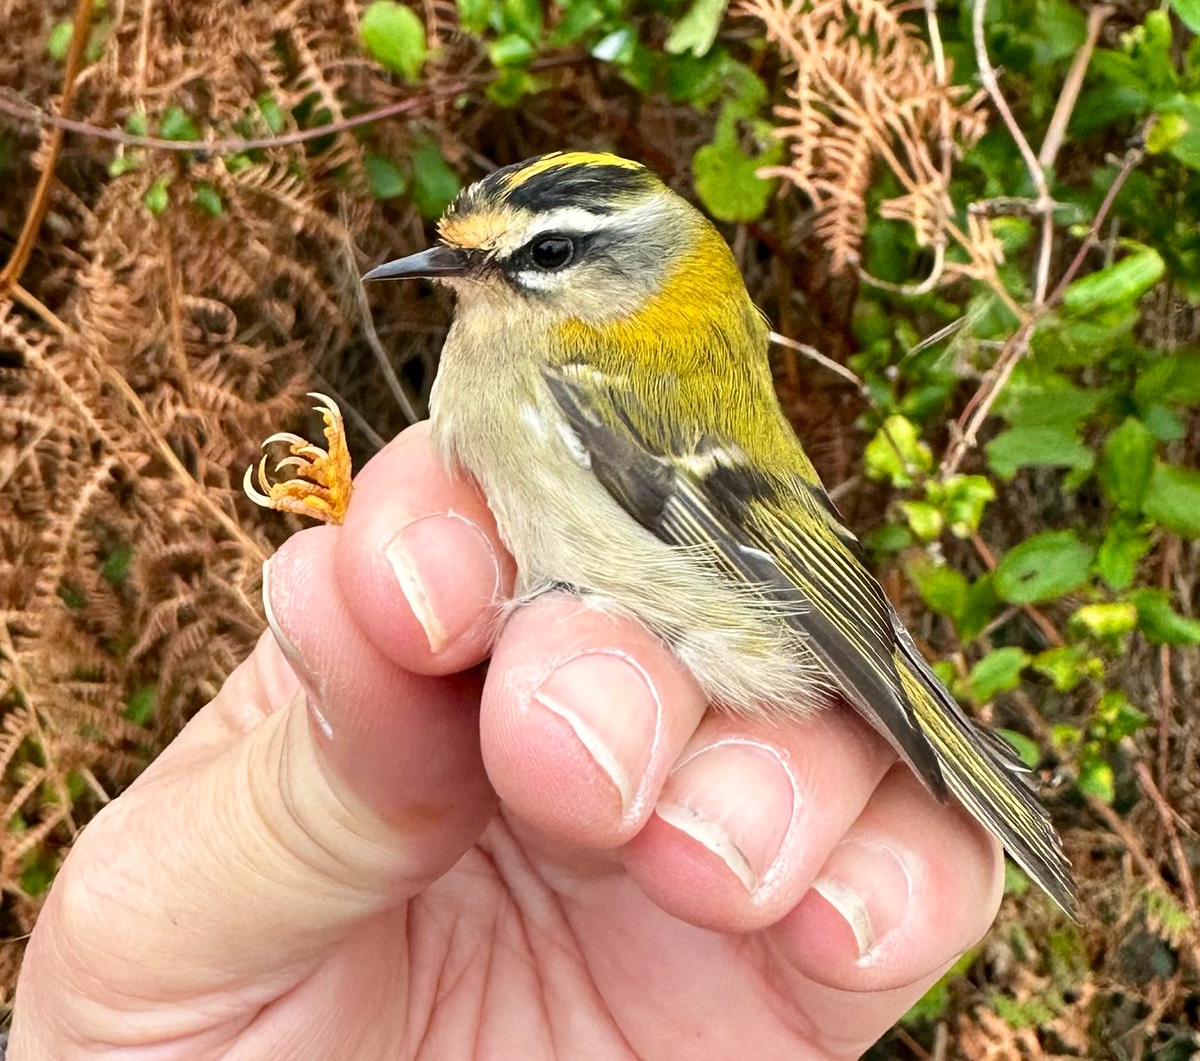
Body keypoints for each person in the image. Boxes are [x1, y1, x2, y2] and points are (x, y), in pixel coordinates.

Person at [9, 423, 1003, 1059]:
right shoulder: (519, 359)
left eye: (536, 258)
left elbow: (770, 546)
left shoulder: (594, 365)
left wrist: (888, 678)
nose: (458, 274)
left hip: (725, 633)